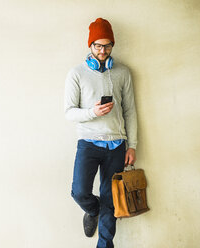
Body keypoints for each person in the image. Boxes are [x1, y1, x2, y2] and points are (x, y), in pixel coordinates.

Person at [64, 18, 137, 248]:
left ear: (112, 46)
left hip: (117, 145)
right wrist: (93, 112)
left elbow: (130, 111)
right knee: (79, 192)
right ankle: (92, 209)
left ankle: (105, 245)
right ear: (90, 45)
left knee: (111, 201)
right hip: (88, 143)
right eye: (98, 45)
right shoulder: (76, 74)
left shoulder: (123, 73)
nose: (103, 51)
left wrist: (132, 145)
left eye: (107, 46)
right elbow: (69, 112)